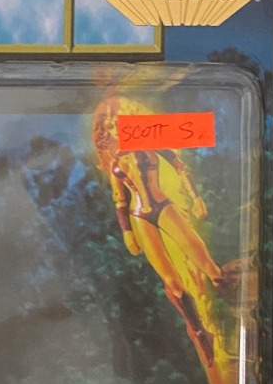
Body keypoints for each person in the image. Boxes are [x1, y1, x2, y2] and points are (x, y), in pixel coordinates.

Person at [92, 96, 223, 367]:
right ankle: (200, 332)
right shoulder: (115, 163)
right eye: (111, 126)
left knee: (208, 265)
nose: (115, 129)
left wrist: (196, 197)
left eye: (118, 123)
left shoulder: (151, 143)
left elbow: (179, 165)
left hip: (164, 206)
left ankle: (227, 307)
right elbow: (119, 199)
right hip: (140, 215)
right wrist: (127, 231)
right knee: (171, 281)